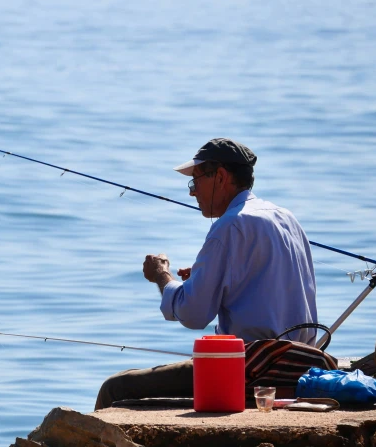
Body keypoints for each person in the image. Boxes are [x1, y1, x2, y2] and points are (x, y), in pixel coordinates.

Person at [95, 138, 318, 410]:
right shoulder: (286, 217)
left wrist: (162, 277)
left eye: (195, 181)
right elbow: (263, 287)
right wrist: (205, 282)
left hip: (251, 369)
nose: (192, 192)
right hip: (302, 364)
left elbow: (194, 313)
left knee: (115, 388)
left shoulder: (229, 226)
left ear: (221, 177)